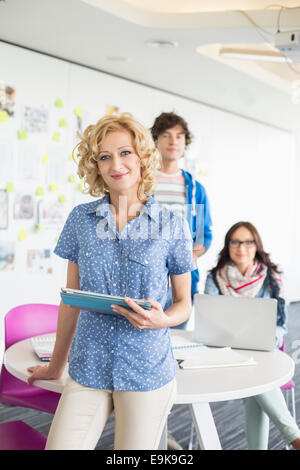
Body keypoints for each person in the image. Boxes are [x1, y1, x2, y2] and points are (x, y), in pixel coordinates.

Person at [27, 113, 196, 450]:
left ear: (142, 158)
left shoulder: (172, 225)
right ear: (96, 166)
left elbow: (183, 303)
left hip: (145, 368)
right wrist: (55, 366)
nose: (116, 164)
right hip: (89, 364)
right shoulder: (81, 220)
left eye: (125, 153)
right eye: (105, 157)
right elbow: (71, 299)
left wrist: (163, 319)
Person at [204, 221, 300, 450]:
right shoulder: (214, 277)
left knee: (256, 380)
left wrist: (271, 338)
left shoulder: (272, 277)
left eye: (248, 242)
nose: (241, 247)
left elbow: (281, 325)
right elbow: (209, 319)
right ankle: (294, 437)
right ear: (228, 246)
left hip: (263, 351)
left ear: (256, 245)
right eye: (235, 242)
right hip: (227, 352)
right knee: (257, 378)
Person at [151, 112, 212, 329]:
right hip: (148, 280)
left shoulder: (196, 189)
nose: (173, 141)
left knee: (176, 340)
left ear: (185, 142)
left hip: (182, 282)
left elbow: (204, 234)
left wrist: (190, 256)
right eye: (166, 135)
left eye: (179, 136)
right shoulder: (143, 184)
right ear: (156, 140)